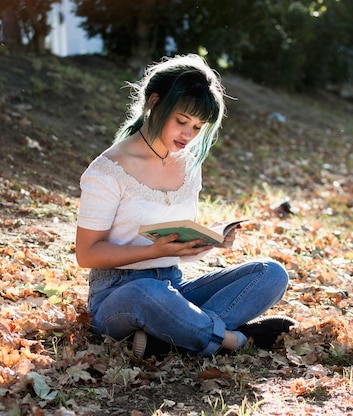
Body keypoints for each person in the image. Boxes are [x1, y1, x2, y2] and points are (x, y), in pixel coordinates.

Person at [75, 54, 293, 358]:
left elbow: (177, 247)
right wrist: (154, 251)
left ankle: (170, 337)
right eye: (181, 121)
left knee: (271, 273)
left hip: (173, 289)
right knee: (147, 294)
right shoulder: (108, 170)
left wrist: (208, 241)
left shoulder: (188, 166)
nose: (188, 135)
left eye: (197, 126)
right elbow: (86, 254)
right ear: (154, 102)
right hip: (118, 296)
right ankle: (234, 340)